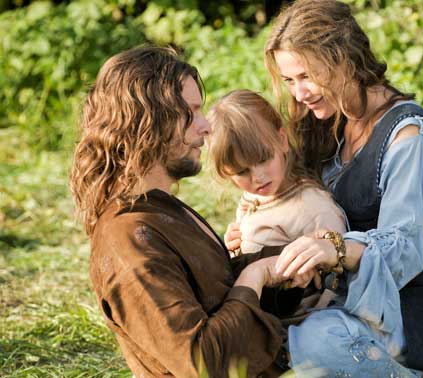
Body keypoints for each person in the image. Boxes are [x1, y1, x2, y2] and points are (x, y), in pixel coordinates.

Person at [254, 0, 423, 376]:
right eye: (289, 81)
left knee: (317, 342)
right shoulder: (326, 124)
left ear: (344, 58)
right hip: (351, 302)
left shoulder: (410, 138)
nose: (299, 92)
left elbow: (403, 251)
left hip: (418, 311)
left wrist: (333, 249)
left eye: (306, 76)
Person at [69, 46, 306, 378]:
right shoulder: (128, 241)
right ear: (147, 120)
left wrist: (293, 259)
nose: (206, 126)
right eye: (190, 113)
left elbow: (217, 294)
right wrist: (256, 275)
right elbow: (203, 363)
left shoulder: (159, 207)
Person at [206, 89, 347, 257]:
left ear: (282, 140)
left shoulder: (315, 209)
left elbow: (340, 264)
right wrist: (237, 248)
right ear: (226, 173)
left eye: (264, 159)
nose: (258, 177)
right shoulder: (253, 198)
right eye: (242, 171)